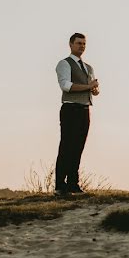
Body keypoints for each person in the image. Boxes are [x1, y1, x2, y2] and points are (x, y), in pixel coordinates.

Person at [54, 33, 99, 194]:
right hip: (70, 109)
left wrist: (94, 89)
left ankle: (73, 183)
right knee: (66, 146)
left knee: (78, 147)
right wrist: (87, 87)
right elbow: (66, 86)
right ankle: (60, 185)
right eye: (79, 43)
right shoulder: (64, 64)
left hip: (85, 109)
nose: (82, 46)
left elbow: (93, 90)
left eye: (84, 44)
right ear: (71, 45)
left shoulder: (88, 68)